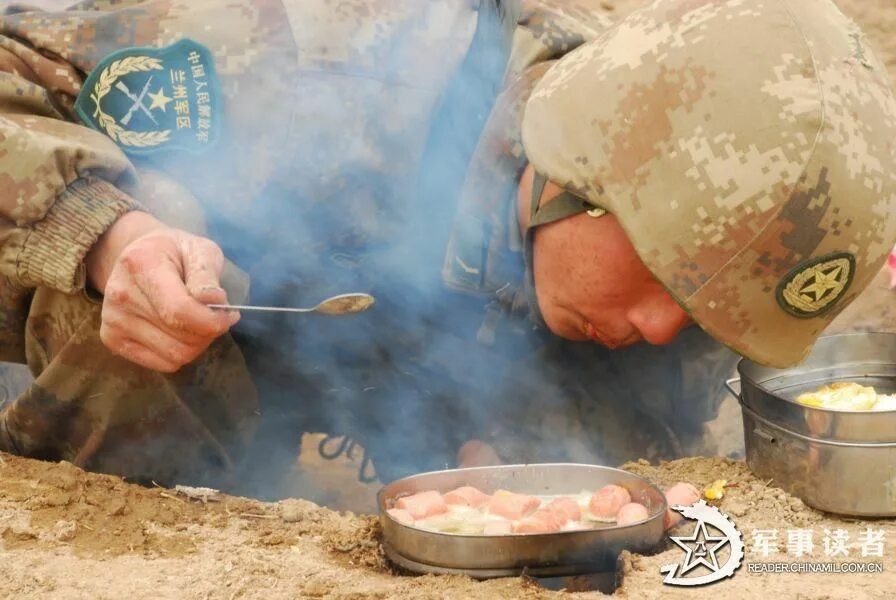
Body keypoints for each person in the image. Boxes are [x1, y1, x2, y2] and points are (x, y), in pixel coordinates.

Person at [0, 0, 894, 493]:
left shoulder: (710, 231)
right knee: (121, 322)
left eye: (701, 311)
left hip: (412, 362)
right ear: (580, 175)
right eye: (668, 276)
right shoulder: (315, 56)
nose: (664, 324)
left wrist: (498, 442)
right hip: (221, 338)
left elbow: (649, 413)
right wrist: (115, 236)